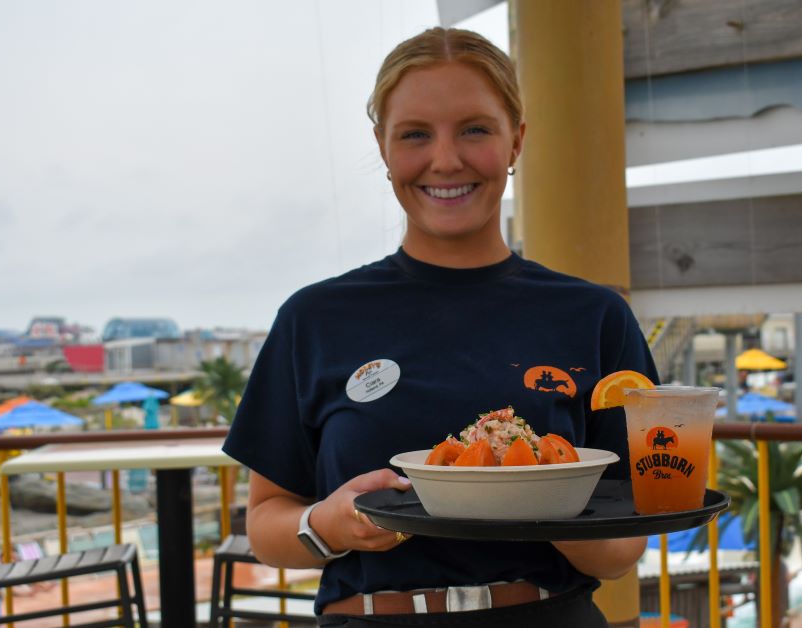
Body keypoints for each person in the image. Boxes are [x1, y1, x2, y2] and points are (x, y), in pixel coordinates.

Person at [223, 26, 659, 628]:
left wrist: (546, 496)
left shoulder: (595, 316)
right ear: (383, 147)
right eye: (415, 134)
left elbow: (622, 550)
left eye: (475, 129)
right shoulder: (313, 318)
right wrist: (330, 524)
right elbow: (267, 524)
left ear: (516, 141)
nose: (446, 160)